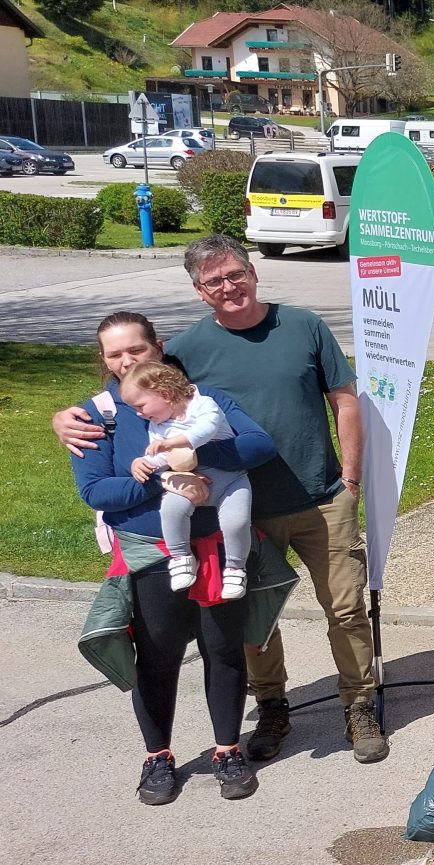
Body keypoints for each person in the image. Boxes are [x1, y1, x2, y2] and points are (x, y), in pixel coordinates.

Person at [54, 234, 388, 764]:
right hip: (243, 508)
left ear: (253, 273)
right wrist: (63, 419)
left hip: (320, 497)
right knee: (257, 618)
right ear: (199, 290)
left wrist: (350, 478)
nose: (229, 286)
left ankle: (360, 705)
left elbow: (343, 400)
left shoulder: (303, 326)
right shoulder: (186, 351)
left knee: (346, 610)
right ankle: (272, 706)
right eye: (215, 281)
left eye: (236, 274)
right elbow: (129, 388)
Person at [70, 311, 276, 804]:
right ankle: (157, 757)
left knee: (223, 650)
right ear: (103, 360)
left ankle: (227, 750)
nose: (126, 361)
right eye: (115, 354)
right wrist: (165, 480)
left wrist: (196, 456)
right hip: (152, 554)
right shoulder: (97, 416)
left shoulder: (199, 399)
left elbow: (258, 445)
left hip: (215, 546)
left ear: (157, 348)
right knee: (157, 656)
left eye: (136, 349)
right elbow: (96, 491)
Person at [120, 361, 254, 601]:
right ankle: (180, 556)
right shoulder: (157, 425)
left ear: (164, 394)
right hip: (189, 481)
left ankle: (236, 568)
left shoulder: (203, 404)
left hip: (230, 480)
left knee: (237, 521)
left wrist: (172, 442)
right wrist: (143, 463)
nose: (139, 414)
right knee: (171, 510)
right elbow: (161, 456)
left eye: (140, 406)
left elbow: (206, 429)